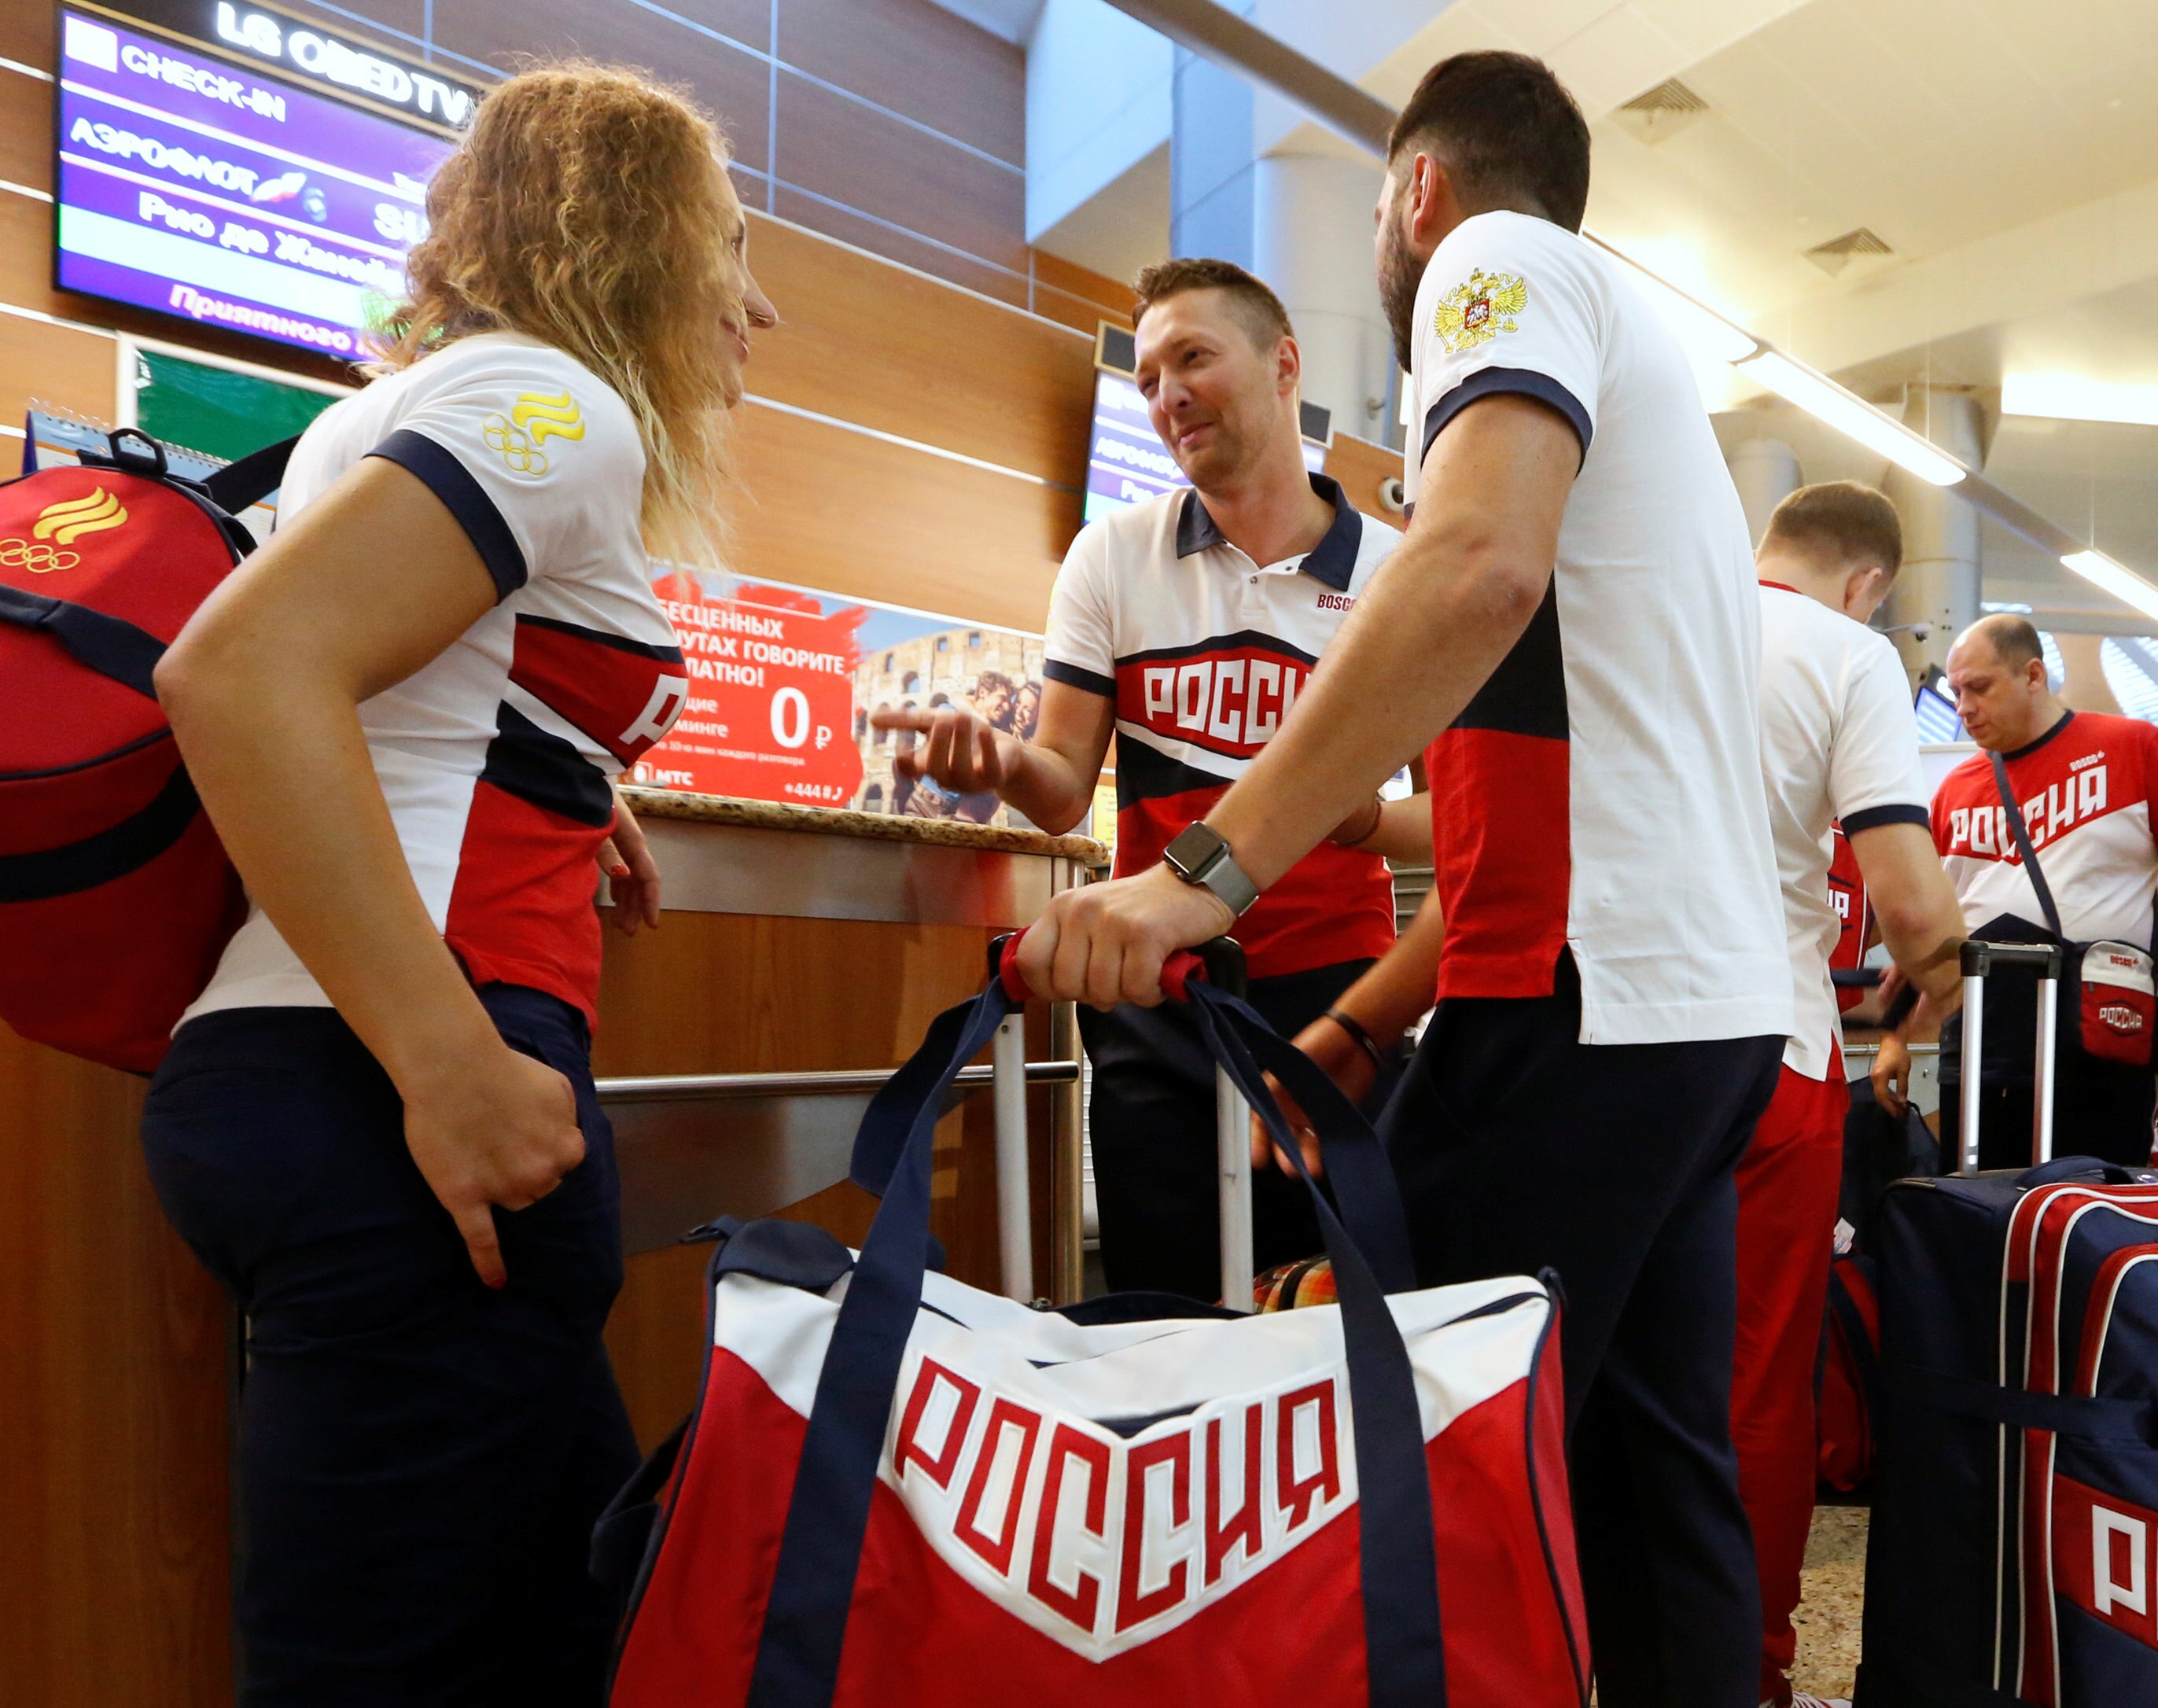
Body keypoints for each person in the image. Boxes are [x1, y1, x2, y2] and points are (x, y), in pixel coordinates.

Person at [1011, 50, 1792, 1706]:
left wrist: (1203, 873)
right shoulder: (1636, 369)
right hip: (1692, 1013)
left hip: (1583, 1010)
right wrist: (1363, 1020)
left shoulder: (1488, 264)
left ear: (1415, 192)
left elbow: (1475, 566)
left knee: (1413, 1477)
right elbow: (1553, 800)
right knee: (1654, 1497)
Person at [140, 66, 773, 1702]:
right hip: (406, 1101)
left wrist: (560, 779)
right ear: (642, 248)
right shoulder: (553, 406)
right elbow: (243, 677)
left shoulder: (391, 414)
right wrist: (446, 1068)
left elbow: (404, 701)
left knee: (566, 1627)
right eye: (727, 253)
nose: (751, 309)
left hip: (328, 1082)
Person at [873, 258, 1419, 1302]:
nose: (1167, 395)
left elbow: (1465, 822)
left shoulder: (1398, 573)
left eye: (1194, 359)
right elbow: (1064, 786)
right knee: (1160, 1324)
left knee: (1327, 1321)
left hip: (1336, 1005)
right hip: (1152, 995)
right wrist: (998, 762)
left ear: (1283, 363)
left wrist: (1365, 822)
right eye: (1150, 377)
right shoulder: (1112, 556)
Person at [1739, 482, 1965, 1708]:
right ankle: (1750, 1670)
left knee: (1601, 1363)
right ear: (1868, 582)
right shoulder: (1846, 650)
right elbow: (1914, 902)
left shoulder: (1647, 609)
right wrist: (1939, 989)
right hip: (1763, 1047)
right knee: (1760, 1377)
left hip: (1591, 1039)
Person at [1892, 614, 2158, 1166]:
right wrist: (1898, 1034)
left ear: (2033, 675)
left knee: (2092, 1211)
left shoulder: (2133, 747)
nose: (1963, 708)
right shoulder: (1956, 789)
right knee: (1982, 1214)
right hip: (1983, 1041)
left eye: (1980, 688)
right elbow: (1934, 923)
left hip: (2099, 1039)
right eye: (1957, 691)